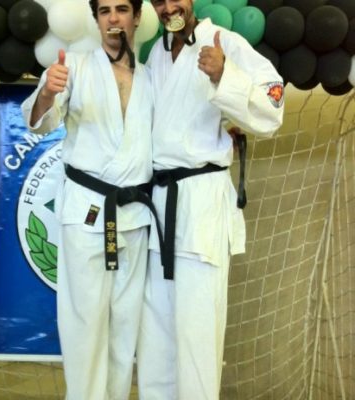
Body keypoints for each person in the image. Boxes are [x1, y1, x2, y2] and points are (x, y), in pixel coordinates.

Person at [136, 1, 284, 399]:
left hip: (201, 204)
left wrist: (225, 76)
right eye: (159, 1)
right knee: (155, 335)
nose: (169, 7)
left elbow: (273, 108)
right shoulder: (156, 56)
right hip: (159, 205)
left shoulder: (225, 41)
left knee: (198, 332)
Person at [21, 0, 155, 398]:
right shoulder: (73, 67)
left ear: (137, 17)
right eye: (104, 11)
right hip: (87, 213)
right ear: (96, 19)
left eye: (122, 9)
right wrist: (48, 92)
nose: (113, 18)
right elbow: (40, 120)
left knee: (125, 328)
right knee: (84, 326)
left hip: (135, 216)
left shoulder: (151, 78)